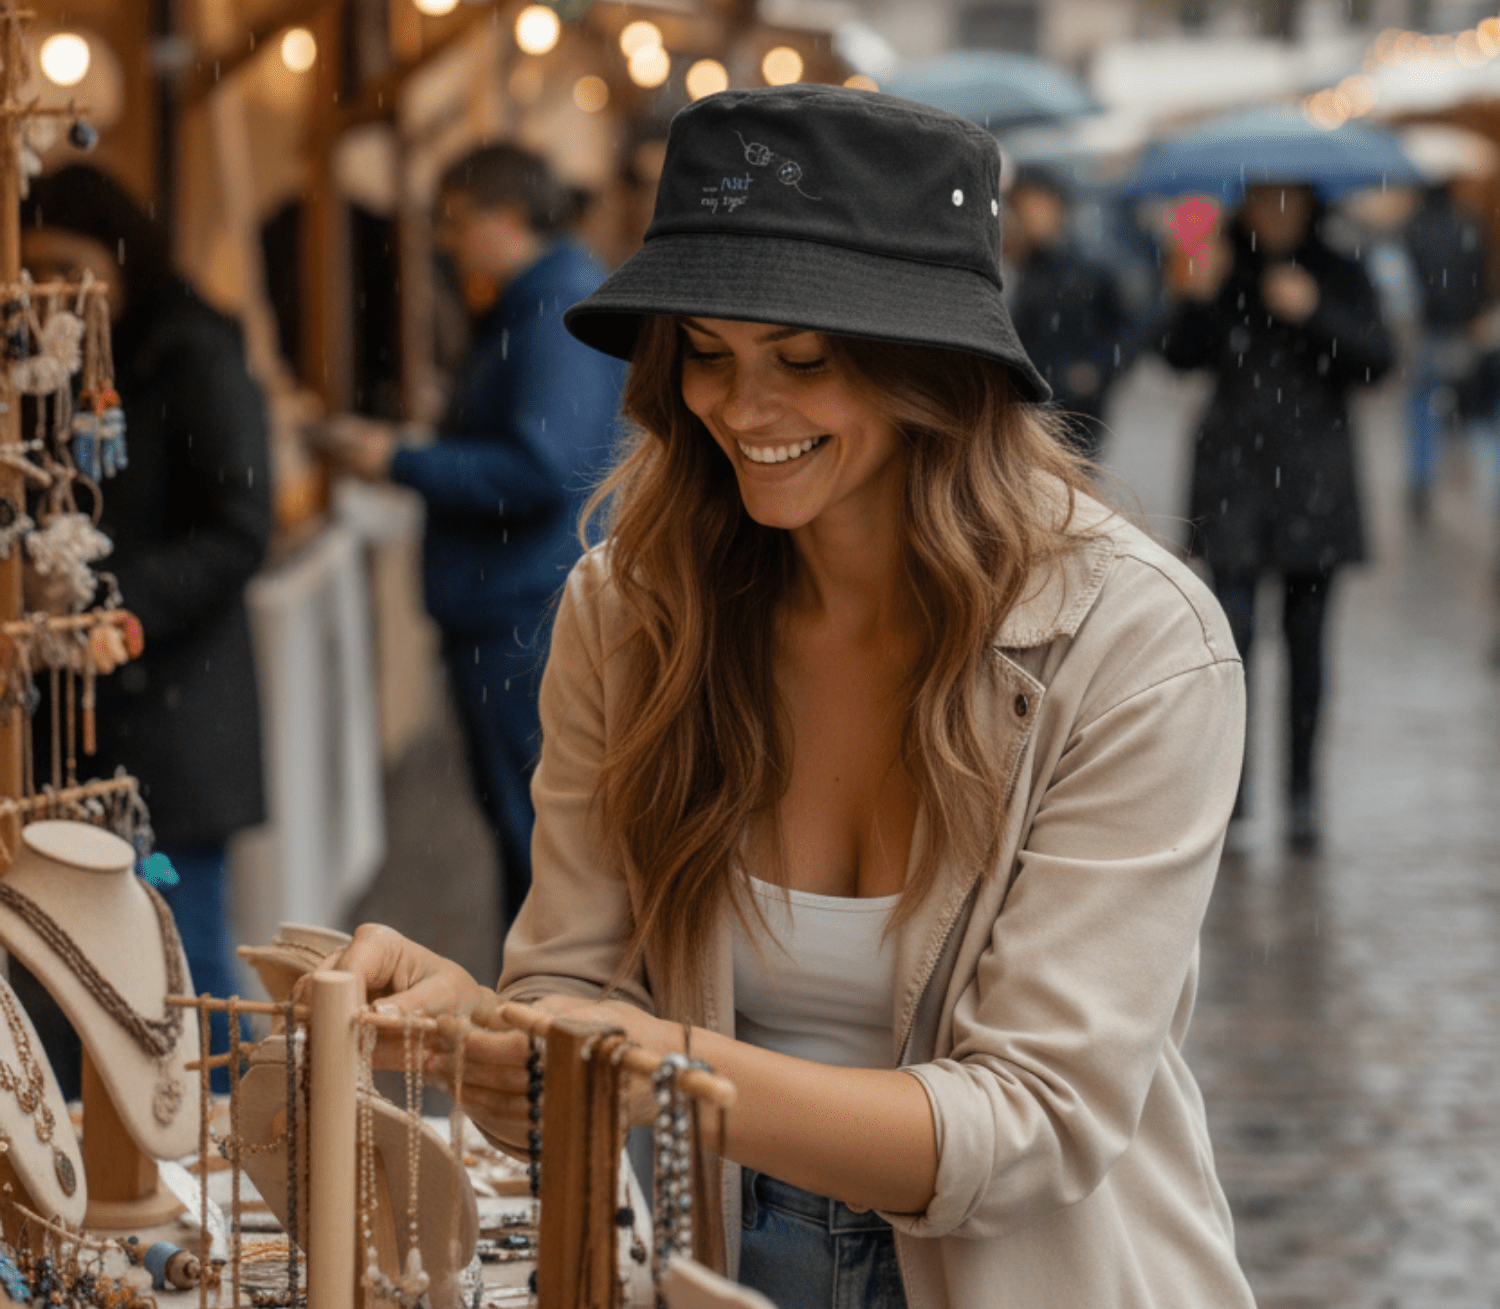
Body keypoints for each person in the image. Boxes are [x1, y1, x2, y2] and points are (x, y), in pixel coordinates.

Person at [326, 86, 1254, 1307]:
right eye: (705, 354)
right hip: (723, 1266)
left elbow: (1035, 1123)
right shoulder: (631, 611)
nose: (741, 408)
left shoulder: (1135, 643)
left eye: (804, 360)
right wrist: (497, 1044)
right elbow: (574, 990)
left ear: (937, 369)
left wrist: (661, 1069)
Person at [313, 143, 623, 931]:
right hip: (518, 600)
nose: (445, 241)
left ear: (506, 217)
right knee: (531, 834)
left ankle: (541, 1000)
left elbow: (540, 469)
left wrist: (398, 458)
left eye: (454, 221)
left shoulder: (553, 308)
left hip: (522, 609)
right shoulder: (541, 301)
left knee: (538, 840)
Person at [22, 164, 272, 1080]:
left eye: (70, 267)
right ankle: (93, 1146)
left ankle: (216, 1143)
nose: (52, 290)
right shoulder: (44, 364)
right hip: (70, 728)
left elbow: (241, 527)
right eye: (33, 270)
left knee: (177, 965)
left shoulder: (191, 352)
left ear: (120, 257)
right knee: (63, 967)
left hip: (172, 719)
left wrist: (98, 594)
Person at [1160, 182, 1393, 849]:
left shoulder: (1341, 269)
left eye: (1288, 198)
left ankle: (1302, 796)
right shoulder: (1221, 260)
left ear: (1310, 201)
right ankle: (1231, 801)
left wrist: (1314, 311)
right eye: (1265, 198)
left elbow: (1378, 362)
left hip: (1314, 485)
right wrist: (1195, 295)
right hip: (1234, 481)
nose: (1277, 211)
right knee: (1229, 646)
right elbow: (1175, 356)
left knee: (1308, 648)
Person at [1004, 163, 1134, 458]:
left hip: (1075, 412)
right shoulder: (1015, 267)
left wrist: (1096, 370)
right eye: (1021, 207)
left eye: (1037, 205)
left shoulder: (1092, 269)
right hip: (1022, 409)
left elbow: (1128, 329)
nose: (1029, 216)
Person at [1400, 182, 1487, 522]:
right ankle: (1485, 481)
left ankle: (1422, 478)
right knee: (1473, 409)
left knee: (1423, 406)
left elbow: (1406, 284)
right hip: (1464, 330)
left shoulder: (1413, 228)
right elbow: (1480, 274)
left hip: (1430, 329)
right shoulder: (1467, 223)